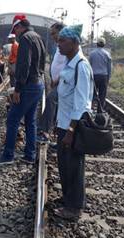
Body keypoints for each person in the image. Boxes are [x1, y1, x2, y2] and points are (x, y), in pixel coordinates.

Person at [0, 14, 45, 165]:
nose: (15, 33)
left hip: (28, 86)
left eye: (15, 30)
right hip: (38, 84)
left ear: (20, 26)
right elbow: (41, 63)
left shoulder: (25, 39)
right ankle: (30, 154)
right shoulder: (38, 37)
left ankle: (8, 155)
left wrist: (18, 89)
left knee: (12, 119)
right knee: (30, 121)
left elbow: (24, 65)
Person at [55, 24, 94, 220]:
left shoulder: (81, 66)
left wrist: (70, 132)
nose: (58, 44)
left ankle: (74, 208)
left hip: (73, 127)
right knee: (65, 165)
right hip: (63, 124)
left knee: (73, 167)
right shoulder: (69, 64)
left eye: (63, 40)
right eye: (59, 40)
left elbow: (81, 104)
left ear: (75, 42)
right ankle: (68, 199)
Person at [37, 22, 67, 144]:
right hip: (59, 82)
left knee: (51, 100)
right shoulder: (59, 46)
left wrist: (58, 79)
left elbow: (70, 65)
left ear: (61, 32)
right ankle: (59, 139)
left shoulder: (68, 45)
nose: (52, 36)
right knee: (59, 109)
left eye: (54, 33)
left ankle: (44, 131)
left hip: (64, 83)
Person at [89, 37, 111, 110]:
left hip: (94, 76)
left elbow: (89, 66)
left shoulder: (92, 54)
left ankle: (91, 107)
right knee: (102, 94)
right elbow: (109, 68)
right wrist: (108, 78)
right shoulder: (107, 54)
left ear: (97, 44)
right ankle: (100, 109)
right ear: (104, 44)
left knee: (92, 93)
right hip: (103, 76)